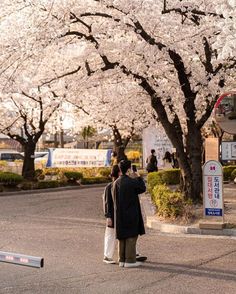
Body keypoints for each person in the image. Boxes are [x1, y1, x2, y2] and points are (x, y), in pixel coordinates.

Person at [113, 160, 146, 268]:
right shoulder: (131, 182)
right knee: (131, 236)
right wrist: (138, 176)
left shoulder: (116, 183)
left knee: (122, 236)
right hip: (131, 213)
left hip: (119, 214)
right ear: (128, 169)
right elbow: (142, 188)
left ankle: (121, 260)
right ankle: (130, 261)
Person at [103, 165, 120, 264]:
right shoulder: (110, 186)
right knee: (110, 235)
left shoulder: (117, 184)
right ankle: (107, 256)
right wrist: (108, 216)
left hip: (117, 215)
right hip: (112, 216)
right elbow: (106, 202)